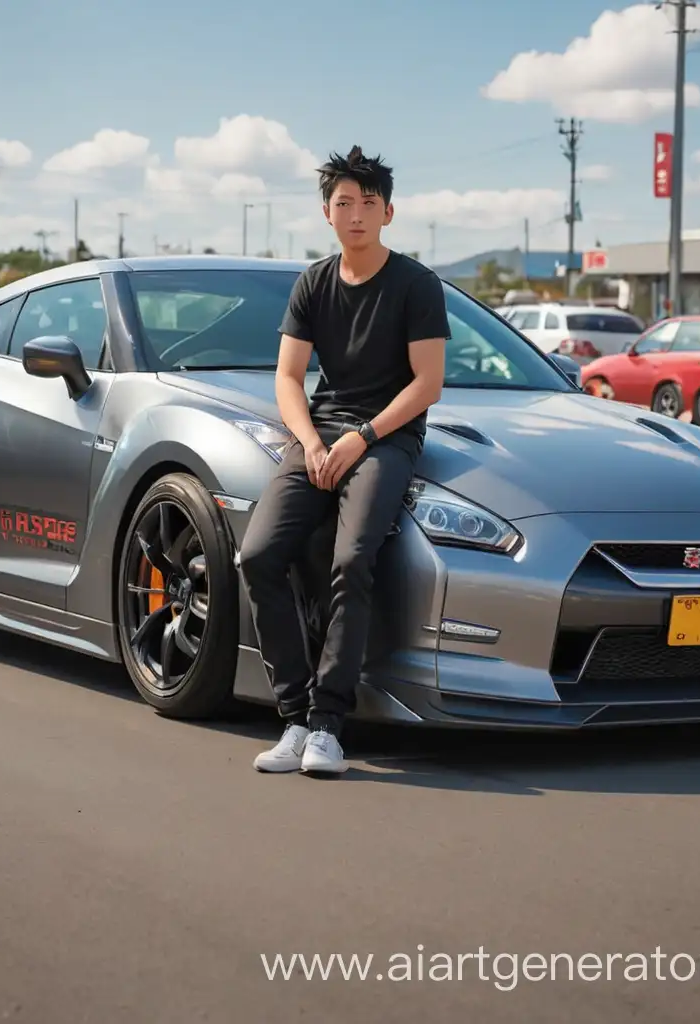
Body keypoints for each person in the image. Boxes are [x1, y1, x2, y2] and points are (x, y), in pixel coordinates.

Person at [238, 145, 449, 776]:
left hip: (388, 437)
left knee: (353, 559)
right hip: (320, 435)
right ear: (327, 213)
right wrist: (308, 442)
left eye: (367, 203)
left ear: (389, 212)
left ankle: (330, 725)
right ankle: (296, 720)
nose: (355, 214)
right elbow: (288, 376)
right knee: (258, 556)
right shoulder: (313, 282)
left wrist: (361, 436)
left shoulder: (416, 284)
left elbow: (428, 383)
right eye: (342, 203)